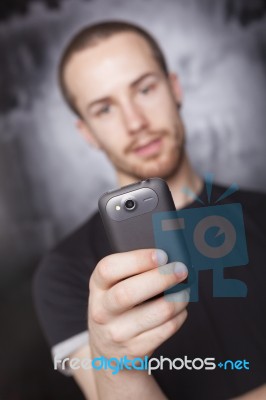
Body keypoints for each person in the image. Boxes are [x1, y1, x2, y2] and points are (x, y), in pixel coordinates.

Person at [33, 20, 266, 400]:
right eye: (105, 108)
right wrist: (115, 362)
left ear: (174, 88)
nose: (135, 122)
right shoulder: (64, 273)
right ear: (86, 132)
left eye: (144, 88)